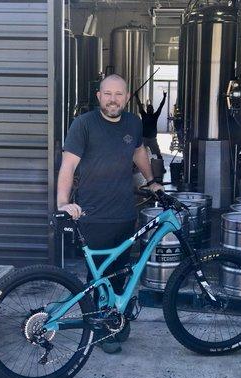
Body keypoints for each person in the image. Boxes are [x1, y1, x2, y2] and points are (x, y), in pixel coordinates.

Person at [57, 74, 163, 353]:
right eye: (108, 94)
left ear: (126, 97)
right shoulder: (84, 125)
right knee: (97, 278)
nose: (113, 99)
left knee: (121, 273)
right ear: (99, 97)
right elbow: (67, 166)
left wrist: (151, 181)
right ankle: (100, 329)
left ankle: (117, 319)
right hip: (93, 215)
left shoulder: (132, 122)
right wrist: (63, 203)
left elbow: (139, 151)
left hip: (125, 214)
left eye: (118, 94)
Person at [135, 91, 167, 162]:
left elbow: (161, 106)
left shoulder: (155, 116)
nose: (150, 110)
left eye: (151, 109)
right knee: (138, 153)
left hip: (152, 139)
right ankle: (134, 165)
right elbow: (139, 105)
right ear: (147, 110)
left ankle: (160, 166)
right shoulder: (144, 114)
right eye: (149, 108)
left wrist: (164, 97)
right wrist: (136, 96)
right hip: (144, 138)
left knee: (158, 154)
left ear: (153, 110)